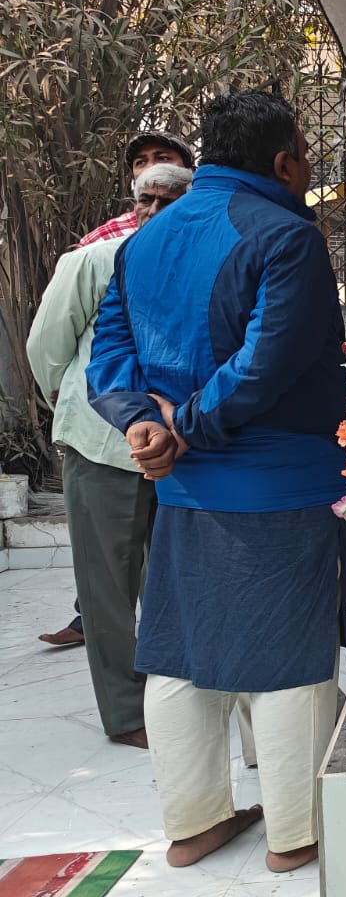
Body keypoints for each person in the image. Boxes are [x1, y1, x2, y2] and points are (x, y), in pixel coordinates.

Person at [88, 89, 346, 872]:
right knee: (291, 658)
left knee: (179, 654)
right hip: (279, 480)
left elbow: (109, 355)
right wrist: (189, 425)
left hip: (181, 485)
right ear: (284, 162)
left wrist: (142, 422)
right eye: (306, 153)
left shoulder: (144, 240)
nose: (309, 167)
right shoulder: (287, 236)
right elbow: (267, 362)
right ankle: (296, 835)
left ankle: (193, 823)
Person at [27, 162, 194, 745]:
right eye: (147, 199)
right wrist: (74, 405)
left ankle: (182, 700)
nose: (156, 211)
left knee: (175, 578)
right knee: (106, 590)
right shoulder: (93, 261)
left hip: (180, 446)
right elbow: (46, 347)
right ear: (134, 202)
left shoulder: (197, 262)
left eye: (170, 201)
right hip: (102, 448)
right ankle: (127, 715)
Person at [78, 130, 196, 247]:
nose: (150, 168)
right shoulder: (102, 240)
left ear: (192, 172)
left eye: (163, 158)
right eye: (141, 162)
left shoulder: (203, 228)